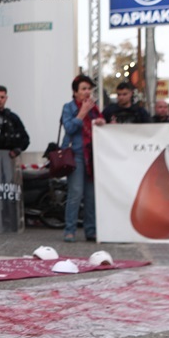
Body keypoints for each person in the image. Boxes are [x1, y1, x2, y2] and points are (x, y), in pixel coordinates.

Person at [60, 75, 105, 243]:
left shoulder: (95, 109)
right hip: (76, 155)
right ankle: (69, 230)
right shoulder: (69, 107)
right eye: (83, 89)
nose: (87, 92)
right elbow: (70, 127)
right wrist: (82, 112)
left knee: (91, 195)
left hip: (92, 155)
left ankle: (91, 231)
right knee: (75, 193)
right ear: (75, 92)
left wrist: (101, 122)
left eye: (89, 89)